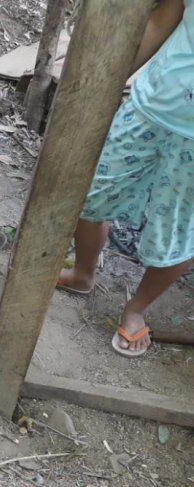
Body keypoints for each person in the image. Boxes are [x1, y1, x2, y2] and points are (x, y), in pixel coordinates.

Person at [56, 0, 193, 357]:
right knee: (89, 196)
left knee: (178, 235)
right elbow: (161, 23)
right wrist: (105, 82)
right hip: (149, 108)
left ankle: (135, 310)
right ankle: (84, 274)